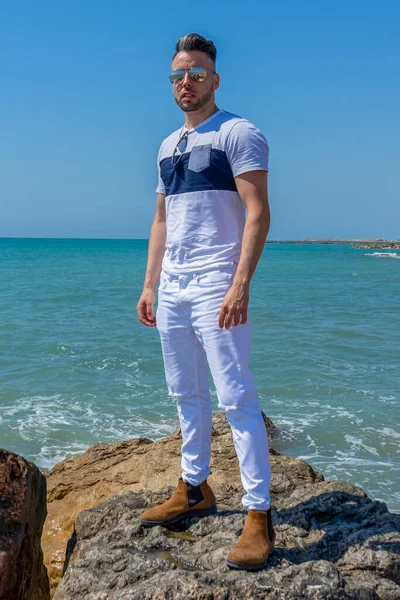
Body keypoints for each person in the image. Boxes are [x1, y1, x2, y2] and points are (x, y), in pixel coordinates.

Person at [136, 32, 275, 571]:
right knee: (184, 392)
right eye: (177, 75)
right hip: (172, 286)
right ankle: (194, 488)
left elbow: (258, 212)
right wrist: (150, 285)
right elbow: (162, 221)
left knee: (236, 397)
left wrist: (241, 283)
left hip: (218, 282)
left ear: (215, 78)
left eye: (195, 72)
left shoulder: (238, 133)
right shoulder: (167, 145)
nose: (186, 82)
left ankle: (259, 514)